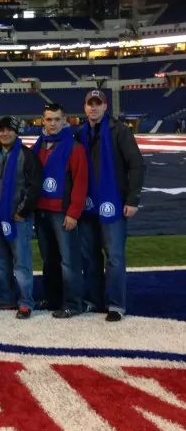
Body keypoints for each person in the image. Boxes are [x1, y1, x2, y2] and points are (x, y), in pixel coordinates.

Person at [76, 90, 145, 322]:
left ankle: (116, 304)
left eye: (98, 104)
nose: (94, 107)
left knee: (114, 256)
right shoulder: (80, 133)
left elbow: (136, 165)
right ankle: (92, 300)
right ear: (85, 107)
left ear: (105, 107)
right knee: (89, 256)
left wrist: (132, 199)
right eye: (90, 104)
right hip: (87, 205)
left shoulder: (120, 131)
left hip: (113, 203)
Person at [33, 103, 89, 319]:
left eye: (57, 119)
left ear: (65, 120)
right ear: (43, 120)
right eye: (49, 119)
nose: (53, 123)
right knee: (49, 259)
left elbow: (80, 182)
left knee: (69, 260)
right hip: (41, 210)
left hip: (62, 212)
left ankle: (73, 303)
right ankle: (53, 298)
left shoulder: (74, 147)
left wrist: (74, 213)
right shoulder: (39, 144)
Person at [0, 117, 42, 319]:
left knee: (22, 262)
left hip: (18, 218)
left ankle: (26, 302)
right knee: (1, 261)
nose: (5, 133)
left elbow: (34, 186)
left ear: (16, 132)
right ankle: (5, 298)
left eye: (9, 130)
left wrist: (22, 211)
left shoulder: (26, 155)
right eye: (1, 130)